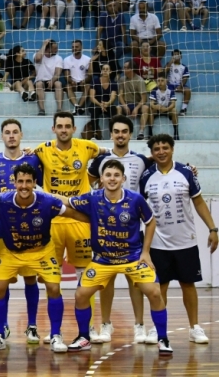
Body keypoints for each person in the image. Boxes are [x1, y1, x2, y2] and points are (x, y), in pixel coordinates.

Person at [67, 160, 173, 355]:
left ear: (123, 179)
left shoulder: (135, 199)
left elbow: (150, 222)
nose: (112, 179)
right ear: (101, 179)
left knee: (154, 292)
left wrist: (146, 252)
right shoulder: (93, 198)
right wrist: (41, 196)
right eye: (108, 175)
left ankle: (163, 338)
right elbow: (66, 202)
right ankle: (84, 337)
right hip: (103, 259)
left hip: (132, 258)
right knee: (81, 295)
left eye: (116, 175)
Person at [0, 164, 88, 353]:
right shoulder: (3, 201)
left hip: (42, 252)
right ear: (14, 183)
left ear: (34, 183)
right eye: (20, 181)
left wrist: (99, 221)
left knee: (54, 288)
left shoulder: (48, 202)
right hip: (11, 252)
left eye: (28, 182)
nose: (24, 186)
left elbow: (74, 213)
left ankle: (56, 335)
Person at [34, 111, 106, 344]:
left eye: (67, 126)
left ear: (74, 129)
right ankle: (54, 330)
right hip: (53, 221)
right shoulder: (42, 150)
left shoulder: (87, 147)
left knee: (86, 277)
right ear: (53, 129)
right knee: (51, 278)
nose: (63, 130)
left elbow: (109, 152)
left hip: (80, 219)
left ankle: (89, 328)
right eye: (60, 126)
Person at [140, 134, 217, 346]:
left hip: (185, 241)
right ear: (152, 153)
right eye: (157, 149)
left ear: (172, 149)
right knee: (160, 287)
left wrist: (212, 228)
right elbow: (140, 208)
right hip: (157, 243)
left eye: (165, 147)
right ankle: (158, 329)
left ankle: (194, 328)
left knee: (188, 284)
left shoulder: (186, 172)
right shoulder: (146, 177)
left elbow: (199, 202)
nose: (161, 151)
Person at [87, 115, 154, 344]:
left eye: (124, 131)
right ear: (112, 134)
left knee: (136, 281)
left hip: (132, 229)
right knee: (106, 280)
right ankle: (106, 324)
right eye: (116, 131)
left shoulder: (141, 160)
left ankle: (139, 325)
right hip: (105, 230)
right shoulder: (101, 160)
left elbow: (161, 165)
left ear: (130, 134)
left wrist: (191, 168)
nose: (120, 135)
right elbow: (86, 180)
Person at [0, 119, 43, 343]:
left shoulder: (33, 159)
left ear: (21, 135)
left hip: (31, 230)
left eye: (15, 132)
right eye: (7, 132)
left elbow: (45, 188)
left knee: (30, 279)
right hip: (3, 230)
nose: (11, 136)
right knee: (3, 280)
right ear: (2, 136)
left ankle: (32, 325)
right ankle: (3, 326)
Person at [84, 63, 118, 140]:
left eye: (107, 69)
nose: (105, 71)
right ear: (101, 71)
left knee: (113, 109)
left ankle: (112, 134)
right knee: (94, 109)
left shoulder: (113, 83)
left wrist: (107, 103)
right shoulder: (95, 81)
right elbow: (92, 97)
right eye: (103, 69)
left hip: (107, 104)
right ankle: (95, 134)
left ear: (110, 71)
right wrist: (100, 104)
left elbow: (113, 97)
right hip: (96, 103)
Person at [117, 60, 149, 140]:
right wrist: (124, 105)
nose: (123, 70)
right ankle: (118, 131)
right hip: (126, 103)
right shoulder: (122, 79)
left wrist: (137, 108)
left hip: (137, 104)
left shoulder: (139, 80)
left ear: (131, 69)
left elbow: (144, 98)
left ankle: (141, 132)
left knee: (145, 108)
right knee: (118, 108)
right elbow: (120, 95)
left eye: (125, 68)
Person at [146, 71, 180, 140]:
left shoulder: (170, 90)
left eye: (162, 81)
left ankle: (176, 133)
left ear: (166, 81)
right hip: (158, 109)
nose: (160, 82)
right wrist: (157, 107)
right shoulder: (154, 90)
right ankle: (150, 133)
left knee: (174, 111)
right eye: (158, 81)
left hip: (167, 109)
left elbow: (173, 104)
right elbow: (151, 104)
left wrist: (166, 109)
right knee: (151, 110)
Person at [34, 39, 64, 116]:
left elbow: (58, 73)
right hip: (40, 81)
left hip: (53, 80)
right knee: (39, 84)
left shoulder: (58, 58)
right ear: (48, 49)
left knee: (58, 83)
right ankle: (42, 109)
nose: (57, 50)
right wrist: (44, 44)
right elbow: (37, 59)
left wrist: (52, 81)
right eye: (55, 48)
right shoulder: (38, 55)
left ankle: (59, 109)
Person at [63, 39, 91, 113]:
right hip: (73, 83)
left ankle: (79, 106)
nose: (74, 48)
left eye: (76, 47)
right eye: (73, 47)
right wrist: (71, 81)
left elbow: (89, 76)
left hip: (83, 83)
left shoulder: (88, 59)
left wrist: (84, 81)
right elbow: (66, 76)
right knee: (67, 86)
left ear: (81, 47)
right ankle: (76, 105)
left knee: (88, 86)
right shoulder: (67, 60)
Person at [165, 49, 191, 117]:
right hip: (170, 85)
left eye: (177, 55)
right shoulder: (169, 64)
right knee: (167, 91)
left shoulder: (184, 67)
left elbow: (185, 78)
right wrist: (171, 61)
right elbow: (165, 71)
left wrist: (181, 86)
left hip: (179, 85)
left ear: (181, 56)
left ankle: (183, 109)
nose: (176, 56)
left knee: (188, 90)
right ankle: (168, 109)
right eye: (174, 55)